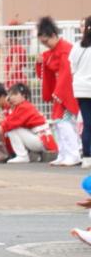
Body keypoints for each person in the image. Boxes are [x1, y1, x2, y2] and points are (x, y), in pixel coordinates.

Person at [37, 16, 81, 167]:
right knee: (58, 123)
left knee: (64, 123)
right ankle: (64, 154)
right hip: (59, 91)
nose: (45, 45)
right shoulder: (53, 52)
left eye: (46, 41)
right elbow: (48, 72)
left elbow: (66, 74)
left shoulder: (65, 50)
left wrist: (59, 92)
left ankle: (73, 154)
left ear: (54, 36)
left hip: (65, 92)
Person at [69, 16, 91, 168]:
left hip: (81, 88)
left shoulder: (77, 46)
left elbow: (72, 69)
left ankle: (87, 158)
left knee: (88, 123)